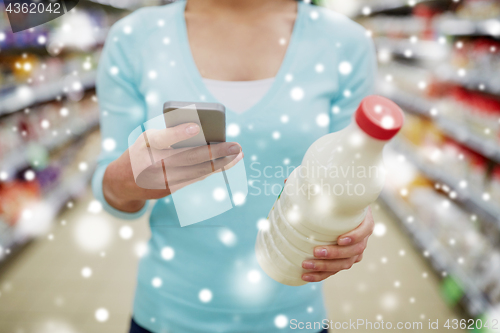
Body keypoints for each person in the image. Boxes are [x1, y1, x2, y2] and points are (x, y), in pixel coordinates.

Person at [92, 0, 377, 332]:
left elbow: (354, 172)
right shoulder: (133, 37)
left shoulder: (346, 42)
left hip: (294, 317)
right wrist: (124, 181)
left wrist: (354, 221)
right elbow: (109, 186)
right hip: (168, 315)